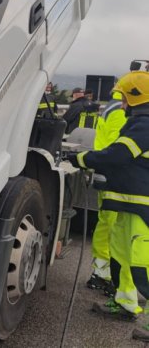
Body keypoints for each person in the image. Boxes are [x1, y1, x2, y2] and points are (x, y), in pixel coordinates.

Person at [70, 71, 149, 342]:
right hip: (128, 203)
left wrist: (81, 158)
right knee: (122, 256)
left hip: (142, 207)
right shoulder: (136, 124)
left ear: (137, 99)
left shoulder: (145, 126)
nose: (122, 104)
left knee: (142, 263)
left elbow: (118, 155)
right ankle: (126, 303)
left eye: (125, 98)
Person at [86, 91, 127, 295]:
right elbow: (119, 148)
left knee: (106, 225)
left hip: (109, 177)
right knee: (116, 229)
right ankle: (110, 277)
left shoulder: (115, 105)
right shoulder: (123, 109)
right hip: (118, 180)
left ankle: (101, 274)